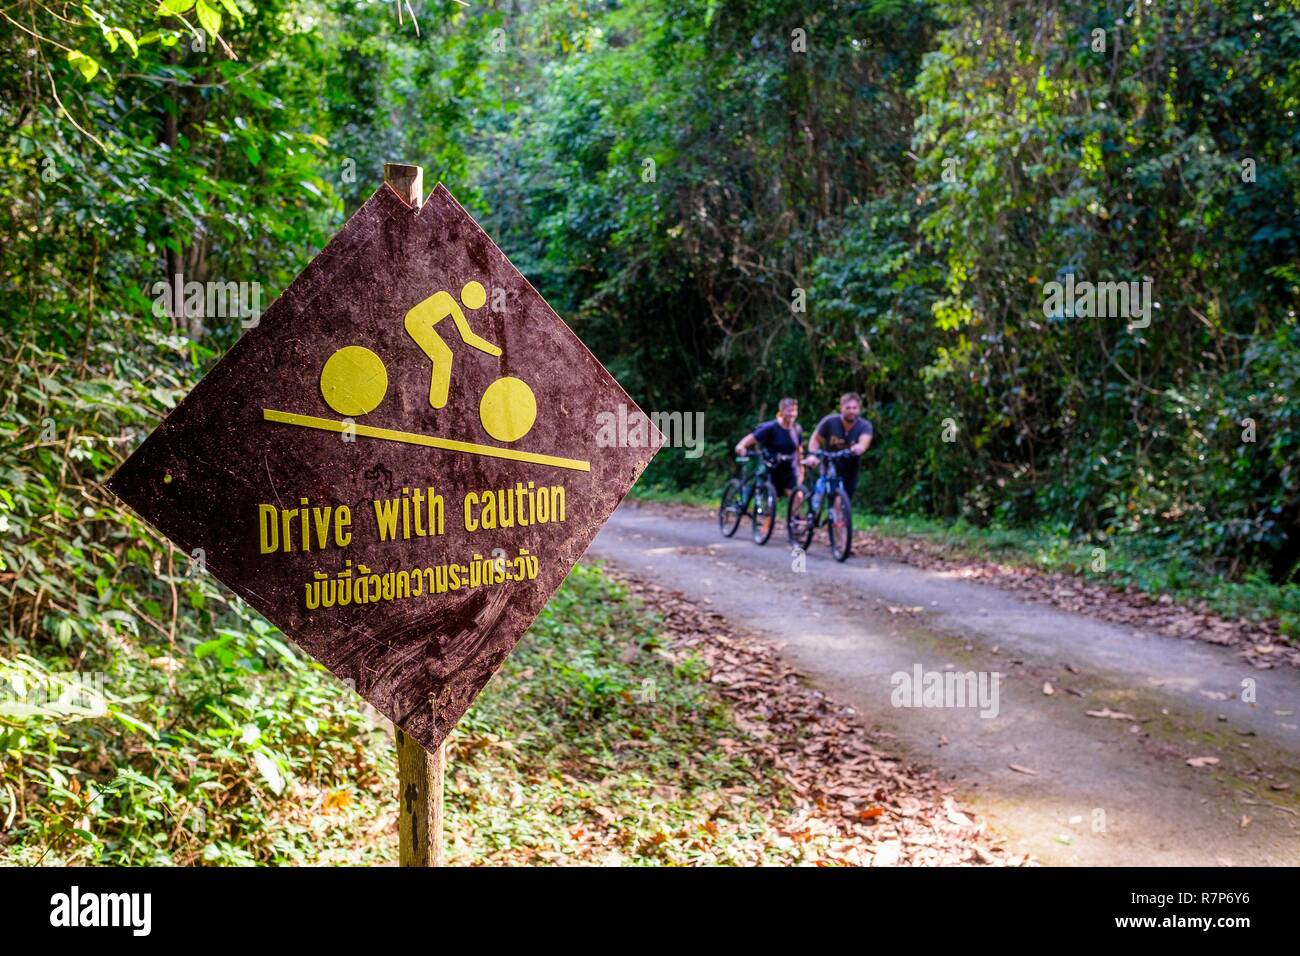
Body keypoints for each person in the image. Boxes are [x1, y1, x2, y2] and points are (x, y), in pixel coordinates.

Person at [805, 392, 873, 498]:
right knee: (832, 493)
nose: (852, 411)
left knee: (847, 497)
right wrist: (813, 455)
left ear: (859, 409)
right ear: (841, 408)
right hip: (830, 462)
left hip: (851, 465)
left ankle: (837, 513)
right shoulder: (829, 422)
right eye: (848, 408)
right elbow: (816, 439)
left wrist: (860, 447)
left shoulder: (864, 426)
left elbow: (864, 440)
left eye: (855, 408)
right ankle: (815, 507)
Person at [734, 397, 803, 499]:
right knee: (772, 500)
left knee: (797, 496)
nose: (792, 414)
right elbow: (752, 437)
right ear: (781, 411)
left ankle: (793, 515)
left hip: (789, 468)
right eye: (789, 411)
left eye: (794, 411)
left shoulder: (797, 429)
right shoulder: (771, 427)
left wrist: (801, 467)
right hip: (772, 467)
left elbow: (799, 449)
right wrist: (741, 446)